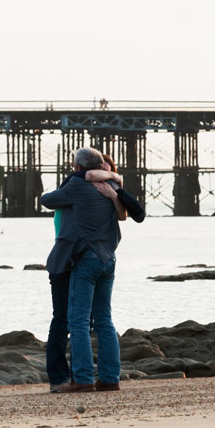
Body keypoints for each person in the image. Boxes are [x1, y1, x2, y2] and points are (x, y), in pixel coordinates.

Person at [39, 147, 145, 393]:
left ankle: (83, 379)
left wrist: (79, 178)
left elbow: (47, 200)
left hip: (86, 259)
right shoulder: (113, 190)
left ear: (77, 167)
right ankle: (109, 378)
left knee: (77, 321)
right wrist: (116, 179)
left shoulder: (76, 186)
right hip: (109, 259)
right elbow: (133, 213)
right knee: (104, 320)